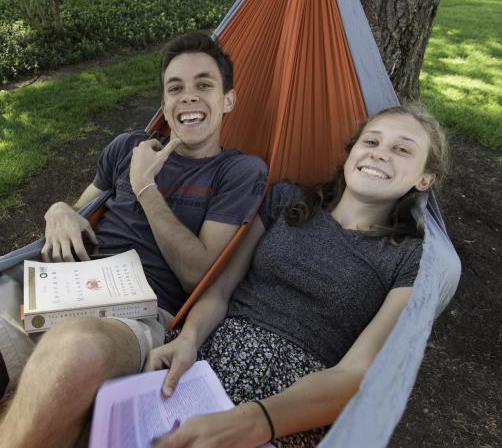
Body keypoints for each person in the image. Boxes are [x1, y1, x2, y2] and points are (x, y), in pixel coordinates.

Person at [0, 31, 267, 447]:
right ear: (164, 106)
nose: (189, 96)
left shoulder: (238, 172)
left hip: (137, 311)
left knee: (75, 351)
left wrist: (145, 188)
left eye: (204, 85)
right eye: (176, 88)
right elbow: (80, 210)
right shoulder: (127, 147)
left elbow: (198, 274)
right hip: (63, 281)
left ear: (228, 100)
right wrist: (57, 209)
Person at [146, 104, 449, 448]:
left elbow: (357, 373)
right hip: (206, 360)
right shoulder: (285, 200)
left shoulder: (412, 259)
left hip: (293, 407)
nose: (379, 154)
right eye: (371, 142)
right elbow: (220, 290)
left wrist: (257, 421)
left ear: (425, 179)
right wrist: (188, 339)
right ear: (351, 153)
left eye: (401, 149)